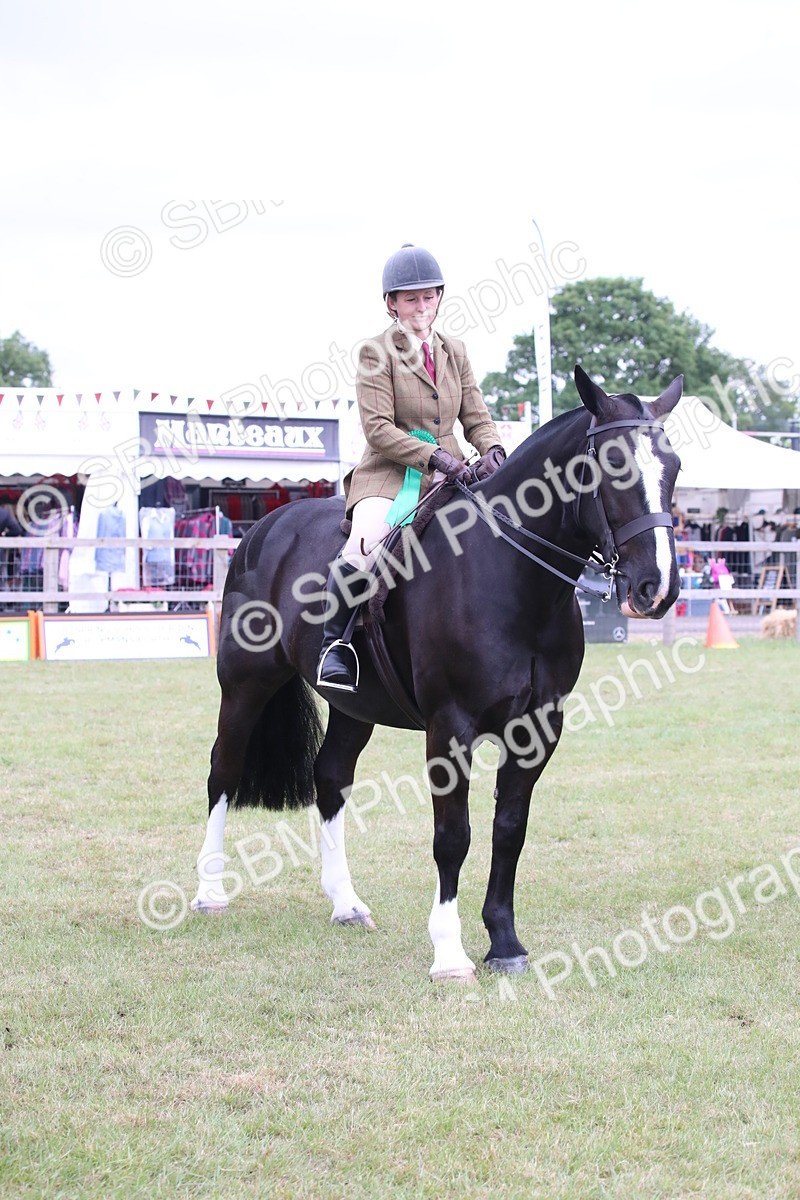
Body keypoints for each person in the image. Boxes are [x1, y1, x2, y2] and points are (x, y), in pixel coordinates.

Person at [317, 243, 506, 692]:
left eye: (428, 296)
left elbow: (477, 417)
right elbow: (378, 428)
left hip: (454, 474)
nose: (421, 306)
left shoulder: (455, 351)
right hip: (389, 474)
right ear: (392, 304)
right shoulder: (375, 353)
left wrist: (495, 450)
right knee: (364, 548)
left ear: (439, 298)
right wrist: (433, 457)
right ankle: (334, 647)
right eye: (411, 298)